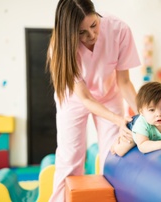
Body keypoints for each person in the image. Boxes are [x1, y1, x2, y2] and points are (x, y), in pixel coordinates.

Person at [46, 0, 140, 201]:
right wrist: (117, 119)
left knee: (112, 155)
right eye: (82, 33)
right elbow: (85, 98)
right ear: (69, 33)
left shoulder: (118, 29)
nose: (92, 35)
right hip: (74, 99)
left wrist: (145, 114)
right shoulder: (60, 47)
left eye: (94, 25)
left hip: (109, 95)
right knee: (70, 159)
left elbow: (124, 82)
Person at [112, 81, 161, 156]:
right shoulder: (141, 124)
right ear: (141, 112)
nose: (158, 114)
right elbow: (142, 146)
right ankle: (114, 145)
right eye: (152, 110)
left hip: (148, 124)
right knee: (121, 151)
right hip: (133, 127)